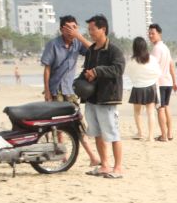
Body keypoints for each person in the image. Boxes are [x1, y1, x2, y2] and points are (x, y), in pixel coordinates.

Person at [39, 15, 99, 167]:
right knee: (58, 126)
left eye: (74, 27)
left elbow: (93, 51)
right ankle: (63, 155)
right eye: (68, 28)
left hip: (69, 90)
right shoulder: (53, 45)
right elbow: (47, 69)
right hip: (55, 90)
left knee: (77, 123)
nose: (71, 31)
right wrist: (47, 91)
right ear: (61, 29)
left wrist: (78, 36)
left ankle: (92, 157)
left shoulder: (77, 43)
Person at [80, 14, 126, 178]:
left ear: (103, 29)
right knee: (97, 133)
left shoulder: (114, 50)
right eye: (89, 30)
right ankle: (105, 165)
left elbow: (118, 70)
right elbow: (86, 69)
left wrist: (98, 71)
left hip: (107, 98)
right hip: (92, 98)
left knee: (113, 134)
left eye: (93, 29)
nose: (90, 32)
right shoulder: (91, 51)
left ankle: (118, 167)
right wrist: (83, 78)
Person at [126, 37, 160, 140]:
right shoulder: (152, 59)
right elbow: (158, 73)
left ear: (134, 48)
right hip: (150, 87)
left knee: (137, 112)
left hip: (137, 87)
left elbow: (129, 73)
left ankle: (140, 133)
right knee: (151, 112)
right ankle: (150, 136)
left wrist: (137, 80)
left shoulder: (132, 61)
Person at [147, 23, 177, 141]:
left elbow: (152, 67)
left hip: (159, 83)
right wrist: (174, 82)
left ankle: (164, 135)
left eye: (153, 33)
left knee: (160, 108)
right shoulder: (165, 47)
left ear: (159, 34)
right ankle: (169, 134)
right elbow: (171, 66)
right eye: (149, 33)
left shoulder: (156, 49)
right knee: (166, 107)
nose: (150, 35)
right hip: (168, 82)